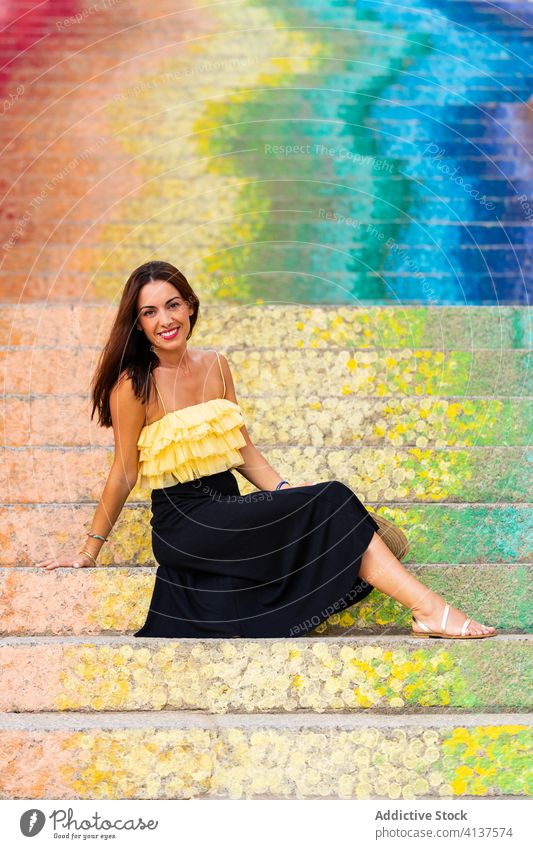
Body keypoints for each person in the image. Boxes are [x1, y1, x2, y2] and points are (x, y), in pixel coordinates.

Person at [35, 261, 497, 640]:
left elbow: (244, 451)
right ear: (137, 323)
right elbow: (123, 473)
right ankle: (430, 610)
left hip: (228, 504)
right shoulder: (132, 385)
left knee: (325, 497)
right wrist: (89, 550)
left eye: (173, 305)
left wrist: (286, 492)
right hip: (185, 520)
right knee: (332, 500)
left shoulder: (216, 365)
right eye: (150, 312)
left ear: (191, 306)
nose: (165, 320)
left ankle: (410, 595)